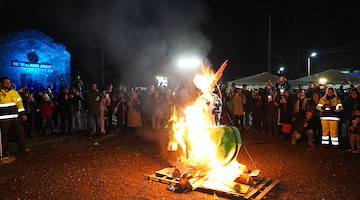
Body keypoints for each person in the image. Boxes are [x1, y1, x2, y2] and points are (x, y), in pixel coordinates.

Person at [0, 77, 31, 157]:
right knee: (4, 137)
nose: (8, 84)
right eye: (6, 82)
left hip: (15, 118)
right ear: (1, 84)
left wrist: (23, 114)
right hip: (3, 120)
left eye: (9, 82)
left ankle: (22, 149)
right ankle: (5, 152)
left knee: (20, 134)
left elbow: (19, 104)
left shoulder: (14, 92)